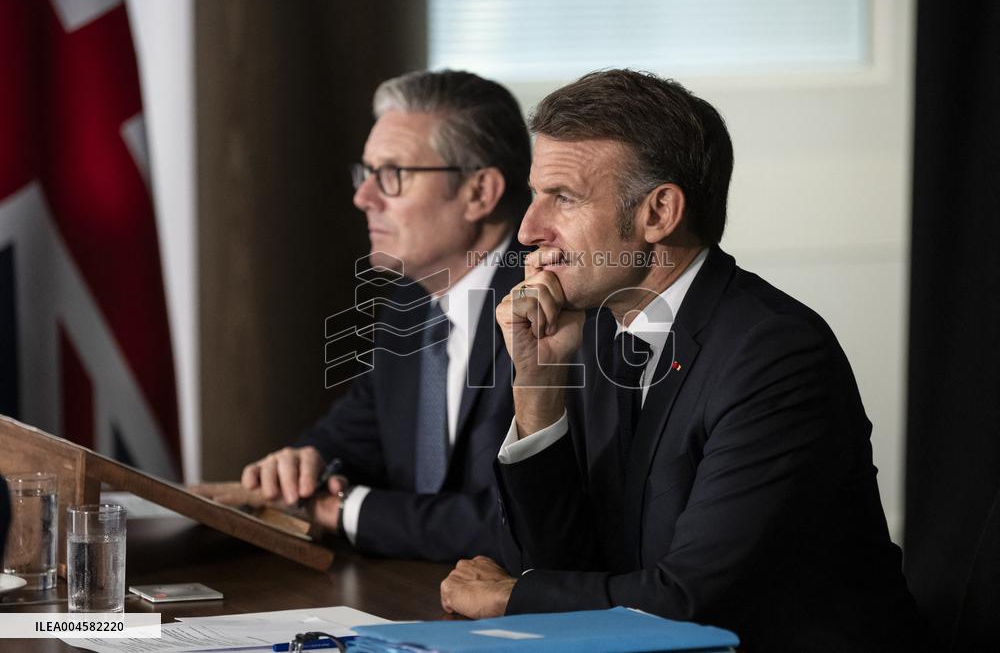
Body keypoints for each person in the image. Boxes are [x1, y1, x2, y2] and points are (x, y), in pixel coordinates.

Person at [439, 70, 925, 651]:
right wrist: (539, 387)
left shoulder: (776, 353)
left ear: (658, 213)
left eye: (562, 198)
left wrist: (509, 596)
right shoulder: (593, 331)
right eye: (536, 195)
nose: (527, 230)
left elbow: (690, 602)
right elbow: (563, 567)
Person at [237, 70, 531, 562]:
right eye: (366, 172)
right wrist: (305, 463)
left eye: (393, 175)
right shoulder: (411, 302)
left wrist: (349, 510)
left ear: (480, 193)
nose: (363, 197)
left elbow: (519, 523)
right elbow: (356, 434)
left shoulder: (553, 309)